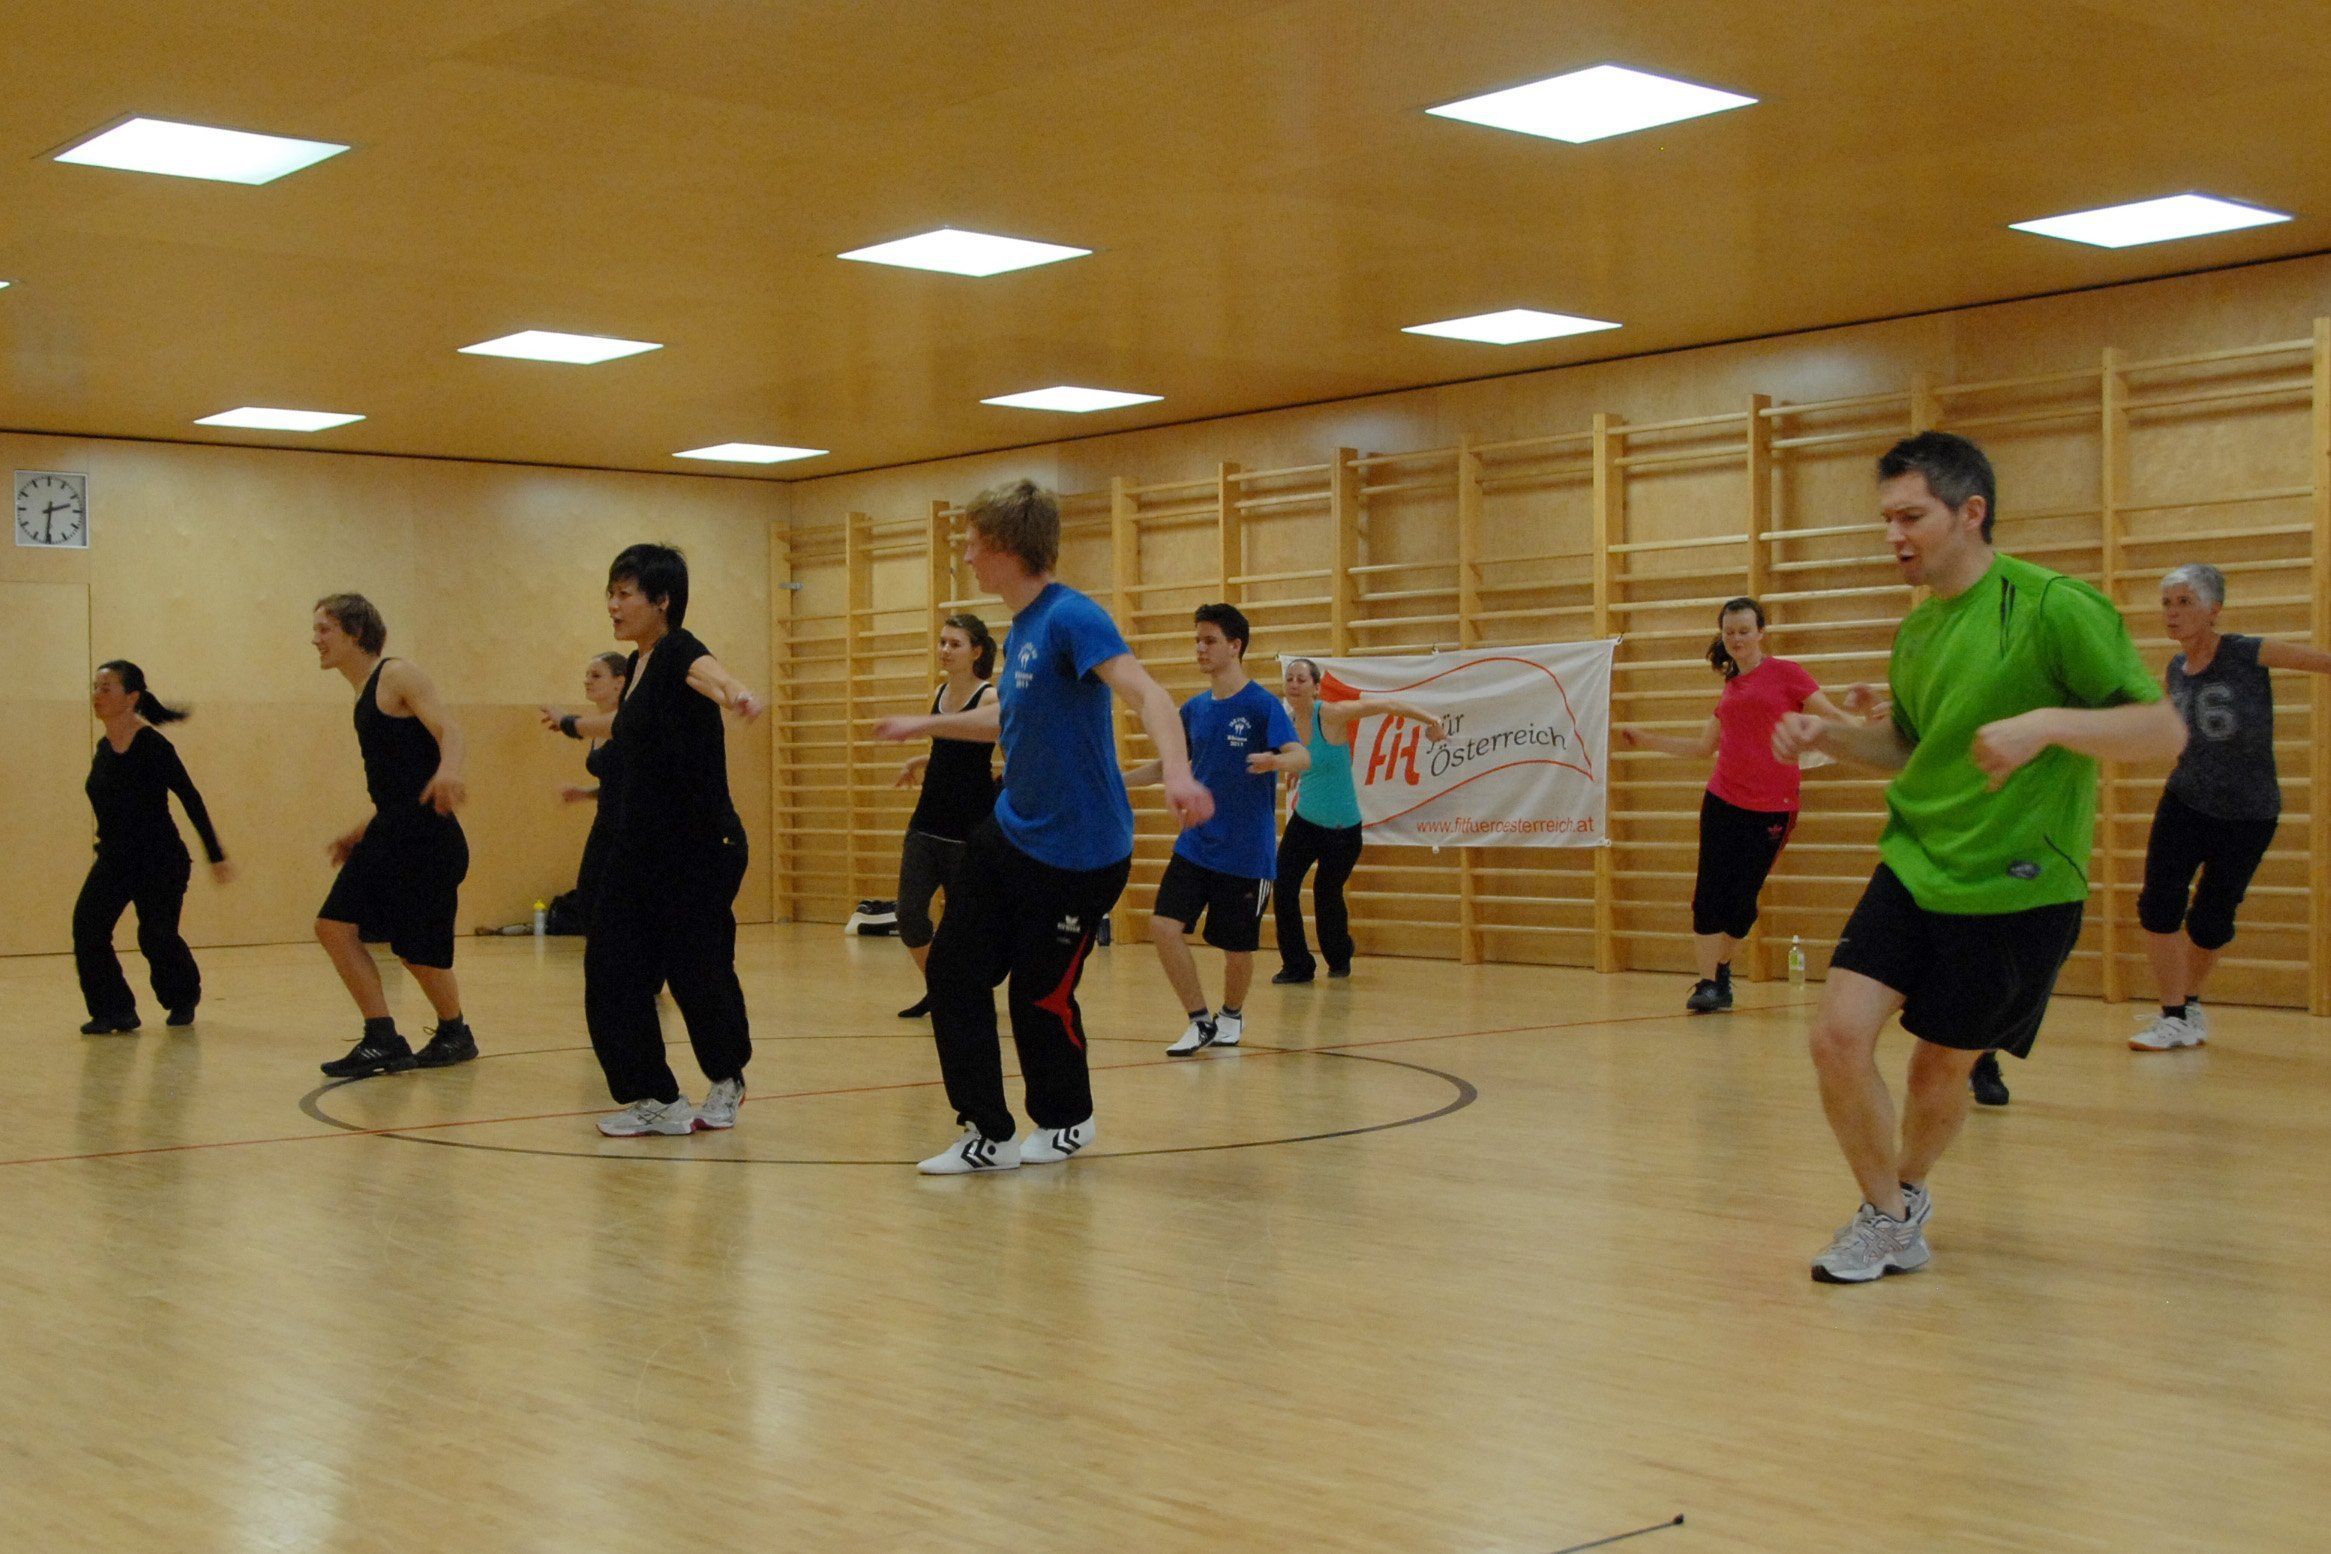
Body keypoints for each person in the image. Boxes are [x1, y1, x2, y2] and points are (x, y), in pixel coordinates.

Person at [1771, 431, 2184, 1284]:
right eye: (1885, 519)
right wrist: (1828, 736)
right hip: (1914, 861)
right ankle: (1885, 1218)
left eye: (1909, 516)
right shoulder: (1918, 630)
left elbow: (2160, 730)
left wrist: (2047, 724)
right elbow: (1910, 746)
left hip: (2016, 884)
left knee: (1938, 1070)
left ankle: (1906, 1191)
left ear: (1969, 512)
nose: (1892, 536)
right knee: (1836, 1036)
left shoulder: (2053, 607)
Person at [875, 479, 1211, 1174]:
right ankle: (987, 1133)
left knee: (1039, 995)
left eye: (973, 545)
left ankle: (1066, 1119)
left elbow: (1148, 694)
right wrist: (928, 725)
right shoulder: (1021, 629)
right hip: (1009, 833)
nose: (967, 557)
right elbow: (1012, 716)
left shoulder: (1071, 617)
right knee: (954, 974)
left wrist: (1177, 774)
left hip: (1080, 854)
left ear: (1005, 547)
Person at [552, 545, 766, 1138]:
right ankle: (656, 1097)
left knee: (697, 968)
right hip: (638, 848)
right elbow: (629, 732)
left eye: (625, 593)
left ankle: (726, 1078)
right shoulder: (637, 664)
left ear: (662, 600)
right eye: (611, 593)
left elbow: (710, 674)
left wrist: (737, 693)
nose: (613, 605)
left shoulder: (677, 651)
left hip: (699, 846)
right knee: (611, 967)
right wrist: (572, 727)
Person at [2132, 563, 2331, 1050]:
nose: (2172, 613)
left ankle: (2189, 1005)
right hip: (2185, 801)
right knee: (2158, 904)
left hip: (2249, 812)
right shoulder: (2175, 668)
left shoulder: (2245, 652)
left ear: (2213, 609)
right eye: (2166, 603)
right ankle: (2172, 1015)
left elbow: (2321, 662)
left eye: (2184, 602)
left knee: (2211, 919)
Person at [1617, 599, 1848, 1012]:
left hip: (1773, 807)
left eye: (1744, 631)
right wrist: (1647, 739)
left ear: (1761, 633)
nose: (1736, 639)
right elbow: (1702, 747)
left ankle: (1722, 968)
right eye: (1729, 632)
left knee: (1742, 903)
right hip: (1723, 799)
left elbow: (1831, 717)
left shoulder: (1787, 674)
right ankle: (1708, 983)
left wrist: (1870, 732)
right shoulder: (1731, 688)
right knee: (1708, 895)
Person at [312, 594, 478, 1078]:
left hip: (426, 838)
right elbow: (400, 788)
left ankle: (446, 1033)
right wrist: (359, 831)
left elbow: (451, 730)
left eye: (324, 629)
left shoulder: (397, 674)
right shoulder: (363, 692)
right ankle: (392, 1036)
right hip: (394, 831)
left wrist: (449, 771)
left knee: (412, 950)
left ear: (355, 632)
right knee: (340, 928)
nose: (315, 639)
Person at [1128, 604, 1305, 1055]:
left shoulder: (1262, 705)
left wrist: (1274, 761)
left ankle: (1231, 1014)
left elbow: (1301, 756)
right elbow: (1169, 764)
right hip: (1196, 844)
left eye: (1210, 641)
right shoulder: (1194, 709)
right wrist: (1118, 780)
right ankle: (1198, 1020)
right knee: (1164, 926)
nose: (1200, 649)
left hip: (1246, 853)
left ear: (1235, 646)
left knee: (1236, 948)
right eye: (1197, 641)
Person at [73, 661, 236, 1033]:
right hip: (114, 859)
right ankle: (114, 1011)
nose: (97, 695)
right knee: (88, 927)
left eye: (106, 688)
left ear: (132, 697)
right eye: (95, 687)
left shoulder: (153, 746)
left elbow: (190, 797)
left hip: (160, 860)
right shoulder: (103, 748)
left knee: (155, 935)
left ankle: (182, 997)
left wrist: (215, 854)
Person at [1271, 657, 1447, 985]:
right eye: (1290, 678)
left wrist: (1432, 719)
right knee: (1282, 885)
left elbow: (1388, 704)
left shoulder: (1332, 714)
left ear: (1316, 687)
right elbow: (1302, 758)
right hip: (1305, 821)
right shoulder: (1288, 723)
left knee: (1326, 892)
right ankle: (1297, 965)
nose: (1293, 684)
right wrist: (1295, 768)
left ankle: (1339, 958)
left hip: (1341, 830)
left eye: (1301, 679)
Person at [891, 614, 1000, 1018]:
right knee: (908, 914)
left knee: (963, 925)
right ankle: (940, 987)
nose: (945, 650)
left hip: (968, 829)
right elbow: (948, 750)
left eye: (955, 644)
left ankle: (961, 991)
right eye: (942, 642)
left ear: (976, 652)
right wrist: (919, 760)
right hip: (926, 821)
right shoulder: (939, 692)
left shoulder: (989, 698)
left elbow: (998, 744)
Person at [540, 651, 630, 934]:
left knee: (616, 903)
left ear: (619, 683)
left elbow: (639, 782)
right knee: (589, 897)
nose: (587, 680)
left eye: (596, 675)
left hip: (630, 826)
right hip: (605, 823)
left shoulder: (628, 722)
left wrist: (566, 721)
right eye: (587, 675)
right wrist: (586, 793)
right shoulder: (598, 724)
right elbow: (618, 782)